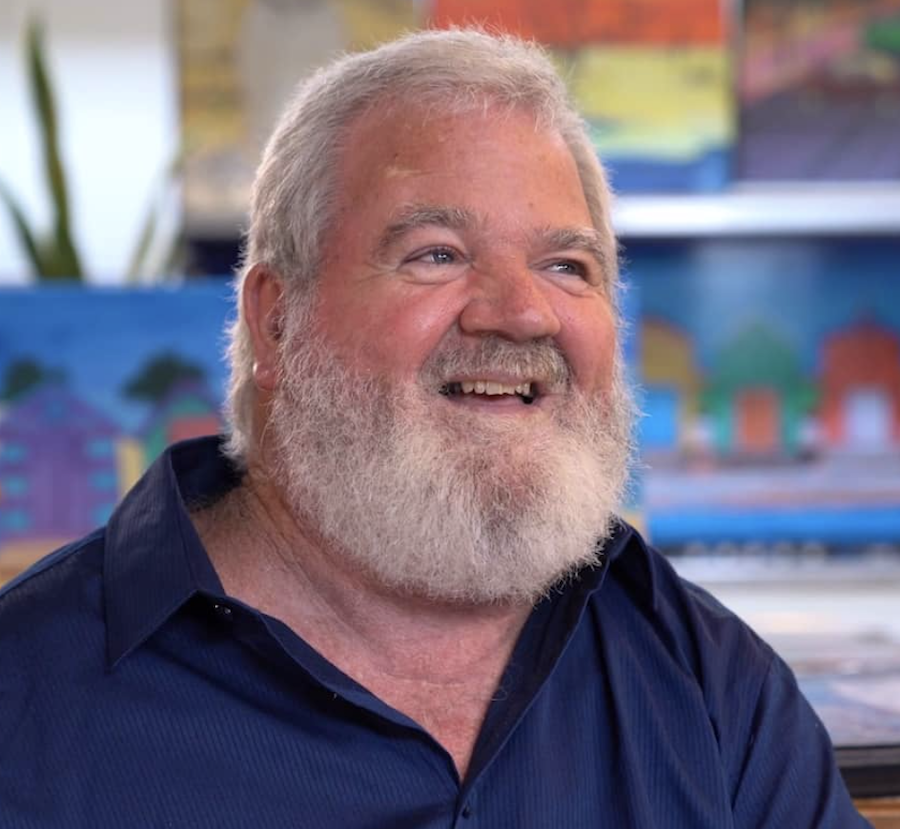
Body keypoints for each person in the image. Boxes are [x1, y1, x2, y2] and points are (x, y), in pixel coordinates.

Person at [0, 28, 870, 828]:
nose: (523, 312)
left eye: (567, 265)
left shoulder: (717, 691)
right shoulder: (27, 703)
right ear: (276, 321)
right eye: (437, 254)